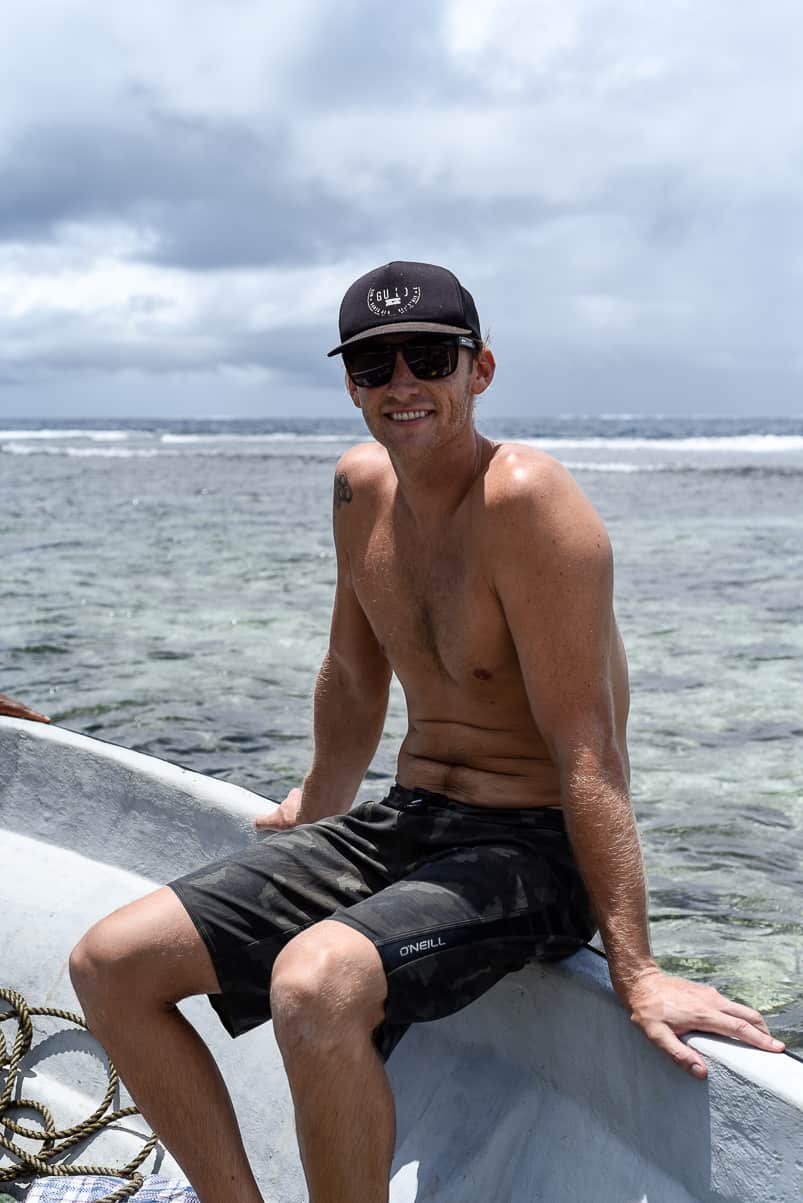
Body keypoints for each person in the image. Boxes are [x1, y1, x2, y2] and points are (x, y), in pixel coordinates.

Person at [67, 262, 784, 1203]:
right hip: (408, 821)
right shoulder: (358, 488)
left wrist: (636, 966)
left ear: (476, 369)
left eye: (428, 358)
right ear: (351, 384)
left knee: (313, 984)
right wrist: (319, 811)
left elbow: (589, 749)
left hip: (529, 846)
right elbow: (354, 678)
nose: (401, 383)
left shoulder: (527, 501)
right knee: (108, 963)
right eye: (373, 365)